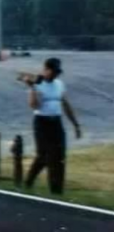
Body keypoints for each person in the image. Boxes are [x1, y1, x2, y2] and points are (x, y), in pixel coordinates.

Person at [24, 57, 81, 195]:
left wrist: (75, 124)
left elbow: (66, 104)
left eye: (58, 72)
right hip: (42, 122)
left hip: (56, 122)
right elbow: (34, 106)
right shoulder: (38, 84)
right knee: (44, 156)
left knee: (59, 156)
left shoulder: (59, 84)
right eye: (53, 71)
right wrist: (32, 88)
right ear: (46, 70)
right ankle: (28, 182)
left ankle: (56, 191)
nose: (56, 74)